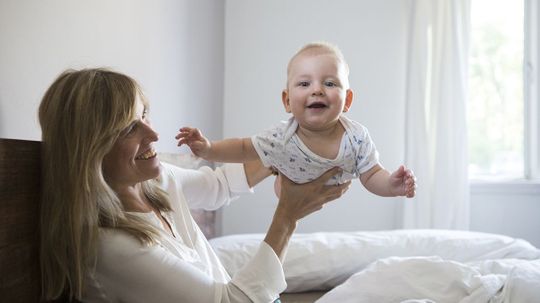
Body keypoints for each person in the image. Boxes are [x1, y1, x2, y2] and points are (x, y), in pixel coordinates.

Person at [38, 68, 350, 302]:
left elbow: (218, 186)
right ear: (91, 150)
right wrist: (287, 217)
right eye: (130, 127)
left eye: (145, 115)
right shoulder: (110, 248)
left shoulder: (156, 182)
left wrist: (288, 153)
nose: (154, 135)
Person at [177, 41, 417, 199]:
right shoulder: (280, 137)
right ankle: (282, 179)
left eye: (330, 83)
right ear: (287, 101)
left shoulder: (356, 137)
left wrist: (391, 186)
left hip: (331, 190)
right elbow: (242, 148)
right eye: (304, 83)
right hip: (290, 191)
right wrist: (208, 149)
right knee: (280, 184)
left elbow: (372, 175)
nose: (317, 90)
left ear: (348, 100)